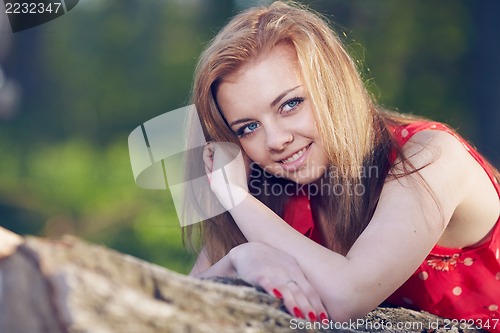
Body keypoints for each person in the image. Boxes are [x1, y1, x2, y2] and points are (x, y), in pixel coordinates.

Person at [183, 0, 500, 329]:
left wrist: (235, 197)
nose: (275, 140)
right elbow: (175, 307)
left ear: (334, 86)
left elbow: (348, 294)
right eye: (248, 128)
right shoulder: (265, 189)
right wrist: (240, 259)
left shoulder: (432, 158)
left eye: (290, 104)